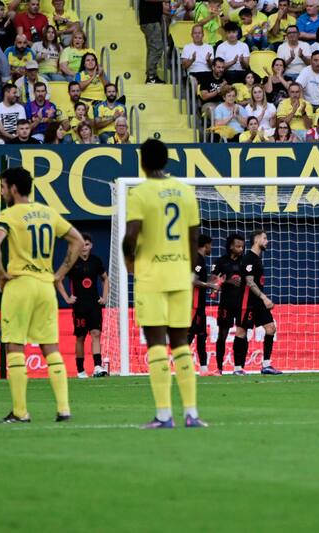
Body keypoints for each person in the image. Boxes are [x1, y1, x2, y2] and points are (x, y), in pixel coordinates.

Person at [121, 139, 206, 429]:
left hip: (152, 275)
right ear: (166, 160)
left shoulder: (140, 193)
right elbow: (194, 236)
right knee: (181, 343)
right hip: (180, 275)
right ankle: (191, 413)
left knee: (157, 344)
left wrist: (129, 261)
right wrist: (190, 269)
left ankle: (164, 415)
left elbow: (131, 235)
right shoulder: (185, 191)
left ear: (142, 162)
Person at [0, 166, 83, 423]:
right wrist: (59, 274)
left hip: (20, 284)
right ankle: (64, 409)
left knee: (14, 346)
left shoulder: (8, 214)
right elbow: (77, 240)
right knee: (50, 347)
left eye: (3, 187)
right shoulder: (48, 212)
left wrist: (0, 273)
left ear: (13, 188)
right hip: (45, 286)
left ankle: (20, 412)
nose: (2, 191)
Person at [55, 232, 109, 379]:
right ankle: (80, 370)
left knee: (96, 333)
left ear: (91, 246)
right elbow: (58, 279)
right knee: (80, 337)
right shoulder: (71, 261)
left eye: (87, 244)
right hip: (79, 306)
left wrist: (104, 297)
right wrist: (67, 298)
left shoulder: (96, 261)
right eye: (81, 244)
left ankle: (97, 366)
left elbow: (105, 278)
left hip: (94, 304)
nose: (84, 247)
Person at [231, 229, 282, 375]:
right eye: (264, 238)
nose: (267, 241)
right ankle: (238, 368)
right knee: (241, 331)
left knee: (271, 328)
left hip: (258, 302)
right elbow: (249, 281)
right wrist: (264, 298)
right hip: (247, 301)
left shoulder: (257, 259)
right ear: (256, 240)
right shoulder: (248, 258)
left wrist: (262, 299)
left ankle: (266, 365)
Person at [188, 234, 223, 376]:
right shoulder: (197, 259)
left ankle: (203, 369)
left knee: (202, 335)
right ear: (206, 245)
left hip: (200, 305)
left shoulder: (201, 260)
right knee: (189, 335)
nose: (211, 248)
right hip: (194, 304)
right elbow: (193, 281)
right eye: (211, 245)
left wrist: (213, 280)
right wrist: (210, 285)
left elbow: (201, 281)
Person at [209, 233, 244, 376]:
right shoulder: (220, 262)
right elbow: (212, 281)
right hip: (226, 303)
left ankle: (238, 367)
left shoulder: (245, 262)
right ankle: (219, 368)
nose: (241, 249)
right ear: (230, 246)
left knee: (241, 335)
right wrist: (225, 282)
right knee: (222, 336)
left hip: (242, 304)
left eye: (242, 246)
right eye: (238, 246)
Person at [139, 0, 165, 83]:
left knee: (152, 49)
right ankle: (151, 76)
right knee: (156, 49)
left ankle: (151, 76)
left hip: (151, 21)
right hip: (151, 21)